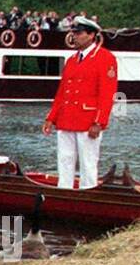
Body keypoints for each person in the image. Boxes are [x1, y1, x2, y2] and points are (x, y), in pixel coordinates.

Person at [42, 16, 117, 190]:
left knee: (88, 163)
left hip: (87, 120)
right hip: (67, 119)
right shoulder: (71, 60)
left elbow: (107, 94)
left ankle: (87, 194)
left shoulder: (105, 58)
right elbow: (62, 92)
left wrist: (99, 122)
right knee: (65, 160)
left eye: (79, 33)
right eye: (73, 33)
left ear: (91, 35)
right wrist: (51, 118)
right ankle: (64, 192)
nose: (74, 36)